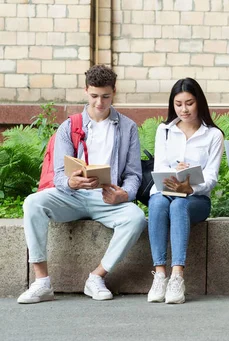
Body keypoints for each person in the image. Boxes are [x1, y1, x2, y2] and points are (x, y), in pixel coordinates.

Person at [18, 65, 146, 304]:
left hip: (107, 197)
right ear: (86, 91)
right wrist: (71, 182)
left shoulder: (127, 127)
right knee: (33, 203)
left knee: (136, 217)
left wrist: (124, 194)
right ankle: (41, 281)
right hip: (72, 196)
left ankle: (97, 277)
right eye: (95, 96)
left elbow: (133, 175)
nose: (100, 103)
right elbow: (57, 176)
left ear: (114, 92)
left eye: (106, 96)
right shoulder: (69, 126)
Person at [146, 78, 224, 304]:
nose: (184, 109)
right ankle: (160, 274)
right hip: (166, 191)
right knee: (158, 203)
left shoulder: (213, 135)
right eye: (178, 104)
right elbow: (159, 167)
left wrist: (190, 186)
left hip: (196, 199)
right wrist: (174, 173)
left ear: (199, 102)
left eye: (189, 103)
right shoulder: (165, 130)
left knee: (180, 204)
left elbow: (211, 178)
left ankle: (177, 276)